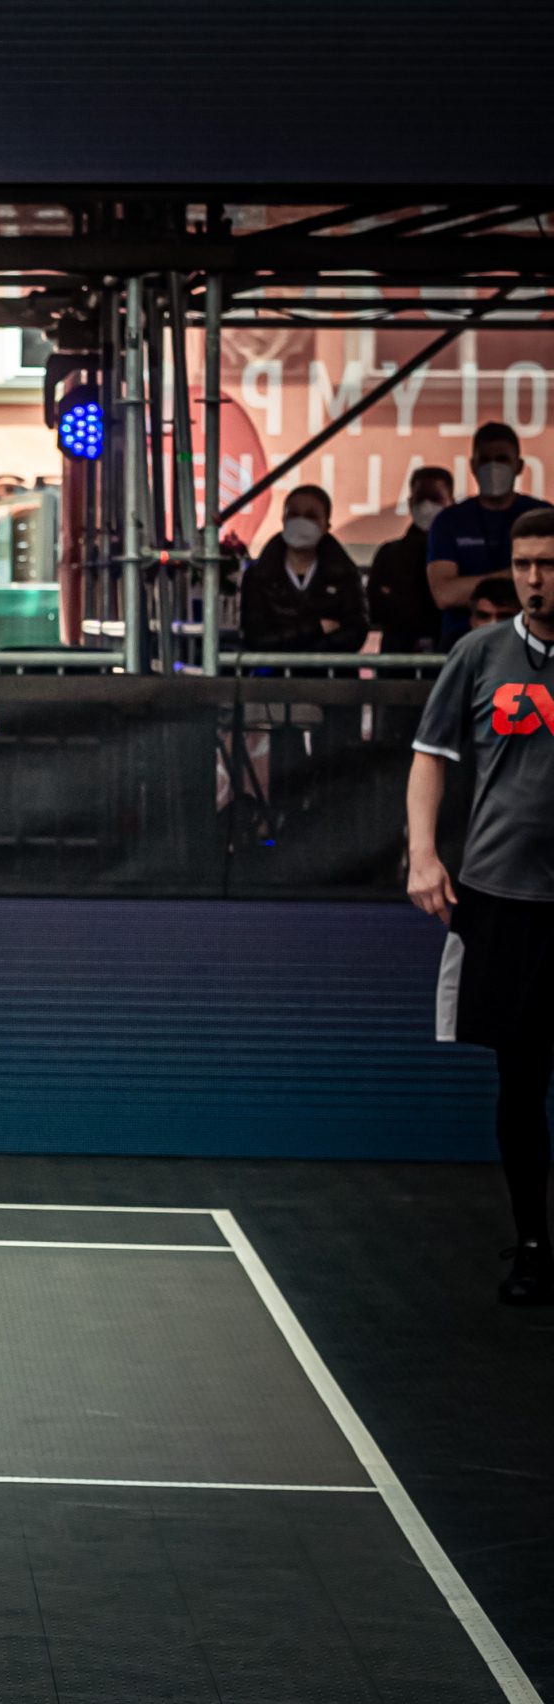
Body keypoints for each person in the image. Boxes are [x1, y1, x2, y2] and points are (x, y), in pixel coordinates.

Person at [407, 507, 554, 1306]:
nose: (534, 578)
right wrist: (424, 854)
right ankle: (533, 1244)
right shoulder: (479, 654)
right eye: (524, 563)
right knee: (520, 1083)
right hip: (503, 898)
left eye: (549, 564)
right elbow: (430, 757)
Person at [428, 422, 549, 635]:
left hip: (533, 640)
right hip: (461, 640)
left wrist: (465, 586)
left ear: (519, 466)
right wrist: (518, 575)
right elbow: (444, 594)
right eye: (485, 460)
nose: (493, 467)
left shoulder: (543, 515)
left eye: (502, 459)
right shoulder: (449, 520)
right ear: (473, 465)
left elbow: (549, 589)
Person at [239, 485, 370, 659]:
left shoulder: (344, 573)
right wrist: (316, 628)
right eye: (293, 514)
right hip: (274, 679)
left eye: (311, 516)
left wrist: (307, 655)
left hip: (331, 680)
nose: (300, 522)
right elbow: (256, 638)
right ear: (283, 519)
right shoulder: (259, 575)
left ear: (326, 525)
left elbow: (355, 632)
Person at [367, 466, 452, 653]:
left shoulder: (459, 553)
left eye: (435, 498)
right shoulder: (389, 554)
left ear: (451, 502)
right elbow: (375, 607)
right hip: (398, 656)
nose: (427, 505)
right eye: (421, 498)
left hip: (447, 650)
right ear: (411, 502)